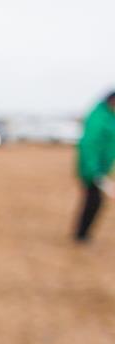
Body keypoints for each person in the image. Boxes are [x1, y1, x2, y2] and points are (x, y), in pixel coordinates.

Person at [74, 91, 115, 242]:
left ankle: (82, 234)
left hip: (101, 169)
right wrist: (95, 172)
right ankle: (81, 235)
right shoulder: (99, 116)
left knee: (94, 201)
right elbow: (90, 145)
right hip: (92, 170)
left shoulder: (109, 116)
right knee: (94, 201)